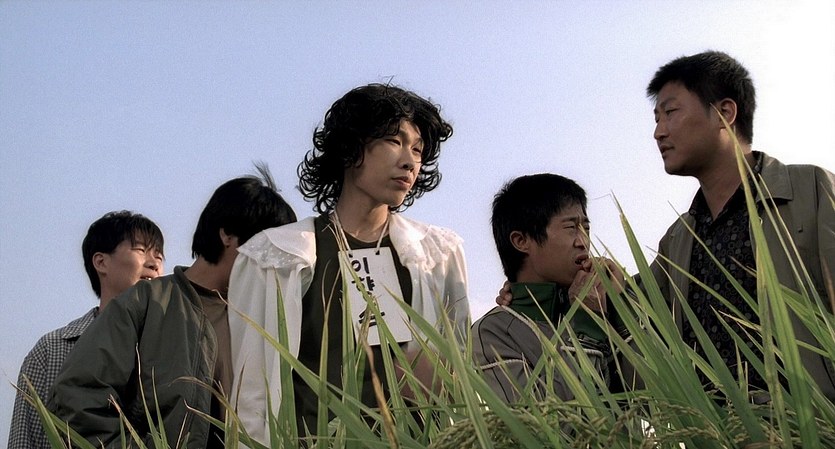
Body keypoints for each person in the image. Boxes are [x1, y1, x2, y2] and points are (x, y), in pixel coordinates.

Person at [228, 83, 470, 443]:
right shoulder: (276, 256)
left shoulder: (438, 255)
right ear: (350, 147)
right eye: (394, 141)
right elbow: (251, 392)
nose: (410, 161)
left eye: (418, 149)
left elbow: (462, 371)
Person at [48, 167, 297, 449]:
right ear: (228, 234)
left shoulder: (266, 317)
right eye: (265, 246)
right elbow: (79, 398)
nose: (272, 262)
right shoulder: (145, 304)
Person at [645, 50, 835, 397]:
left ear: (725, 113)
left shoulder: (812, 191)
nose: (658, 132)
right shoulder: (678, 239)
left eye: (670, 113)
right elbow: (630, 308)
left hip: (810, 419)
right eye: (656, 119)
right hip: (714, 424)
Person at [8, 211, 164, 449]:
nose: (154, 264)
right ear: (101, 262)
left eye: (159, 255)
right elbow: (26, 439)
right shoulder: (54, 348)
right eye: (141, 250)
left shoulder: (173, 346)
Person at [473, 173, 622, 403]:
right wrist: (587, 327)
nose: (583, 241)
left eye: (586, 228)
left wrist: (622, 301)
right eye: (571, 227)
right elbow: (542, 419)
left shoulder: (605, 300)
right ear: (521, 241)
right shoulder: (493, 332)